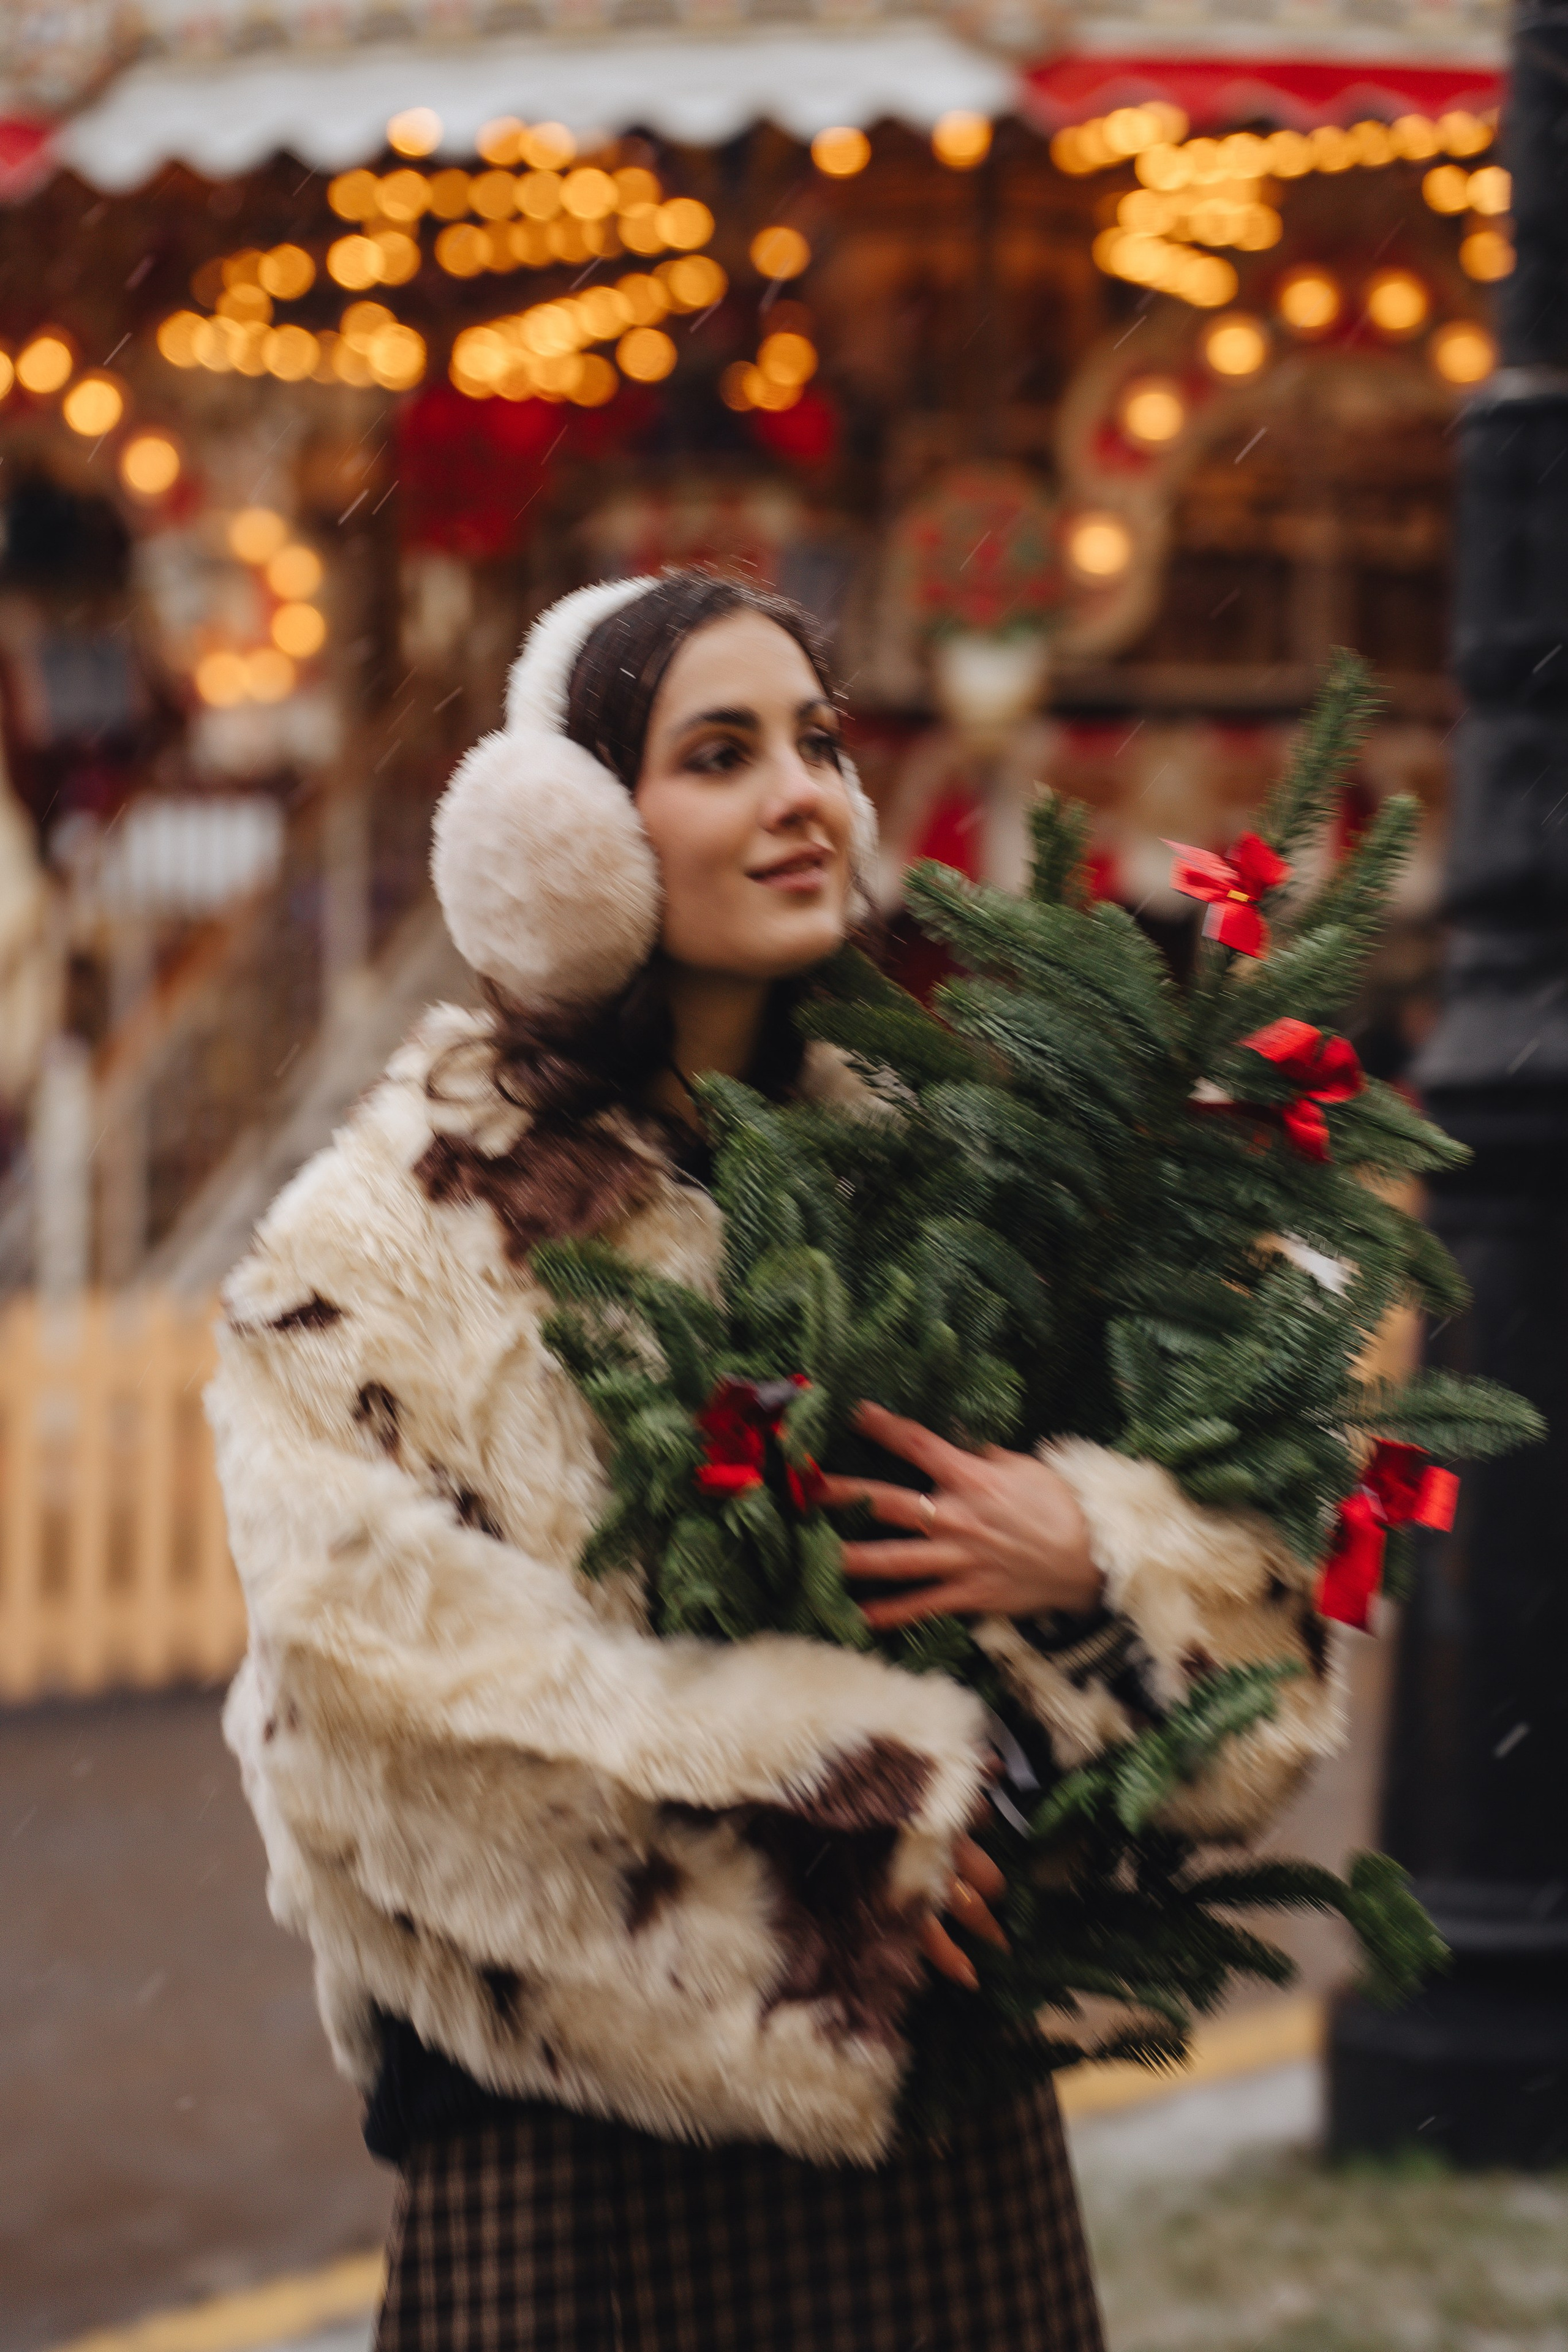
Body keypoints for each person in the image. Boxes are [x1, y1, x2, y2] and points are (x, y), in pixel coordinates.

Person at [213, 569, 1343, 2351]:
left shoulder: (951, 1171)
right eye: (720, 753)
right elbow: (374, 1704)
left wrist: (1106, 1555)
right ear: (568, 834)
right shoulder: (382, 1243)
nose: (804, 790)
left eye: (817, 741)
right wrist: (836, 1824)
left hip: (935, 2140)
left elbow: (1253, 1588)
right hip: (574, 2162)